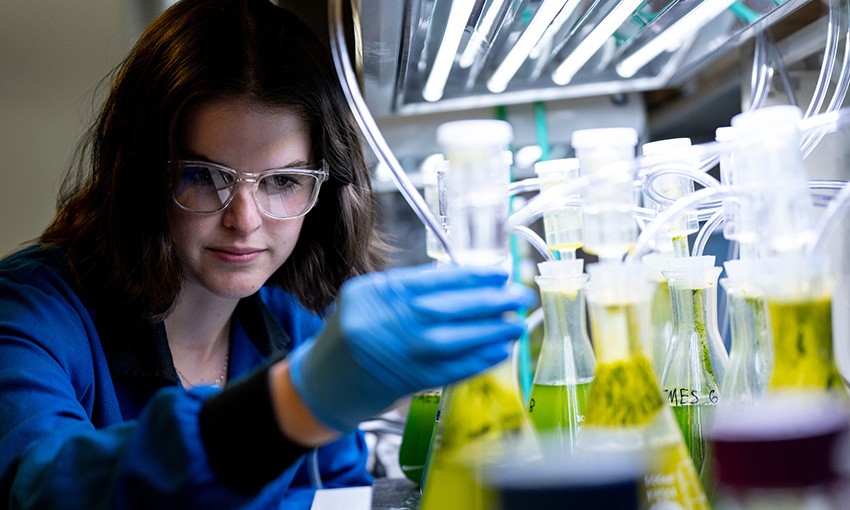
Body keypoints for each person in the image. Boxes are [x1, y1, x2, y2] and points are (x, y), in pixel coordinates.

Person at [0, 0, 534, 508]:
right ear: (139, 173)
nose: (245, 220)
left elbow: (339, 498)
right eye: (204, 176)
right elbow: (43, 488)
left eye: (282, 180)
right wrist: (290, 404)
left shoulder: (293, 327)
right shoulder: (27, 318)